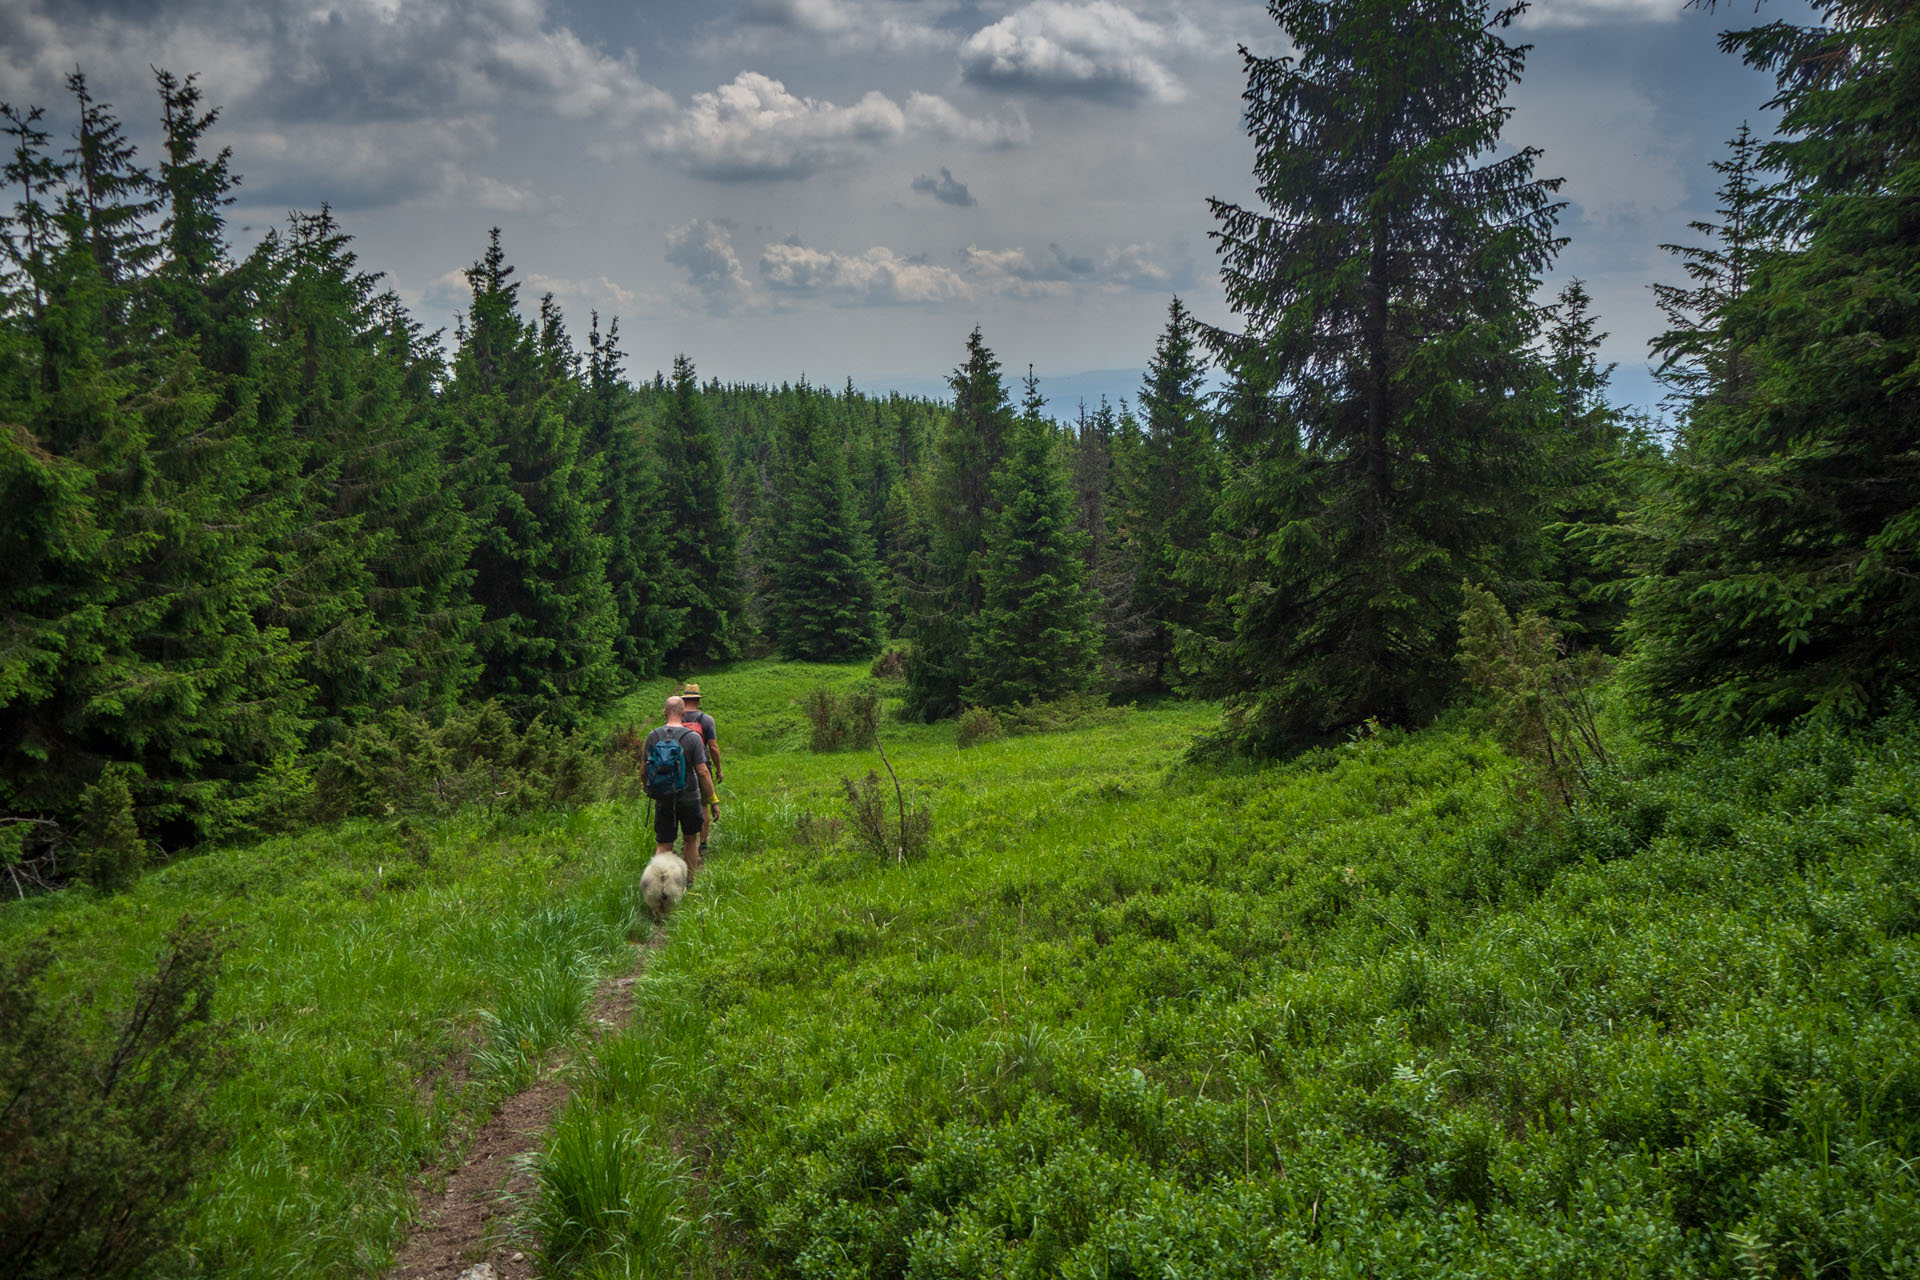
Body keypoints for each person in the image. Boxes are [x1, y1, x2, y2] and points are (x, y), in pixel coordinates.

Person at [645, 695, 716, 873]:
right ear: (683, 713)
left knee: (664, 843)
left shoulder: (653, 736)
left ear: (664, 712)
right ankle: (689, 883)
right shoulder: (692, 737)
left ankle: (660, 887)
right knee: (690, 839)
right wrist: (712, 799)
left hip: (663, 798)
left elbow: (643, 769)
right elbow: (702, 771)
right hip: (690, 796)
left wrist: (649, 789)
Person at [681, 682, 722, 854]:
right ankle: (703, 843)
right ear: (698, 700)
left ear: (685, 700)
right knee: (704, 805)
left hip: (681, 768)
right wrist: (719, 769)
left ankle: (687, 841)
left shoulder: (678, 717)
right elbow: (713, 747)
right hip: (702, 765)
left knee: (684, 804)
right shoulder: (706, 719)